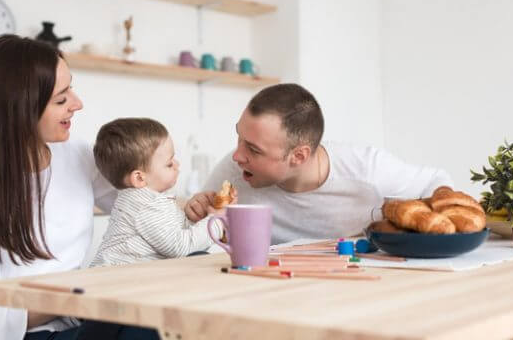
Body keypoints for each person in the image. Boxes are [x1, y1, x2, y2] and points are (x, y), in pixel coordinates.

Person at [0, 35, 158, 340]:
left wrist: (189, 208)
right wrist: (83, 292)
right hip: (26, 336)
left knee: (159, 321)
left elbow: (138, 211)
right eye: (61, 98)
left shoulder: (76, 154)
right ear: (20, 109)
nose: (77, 104)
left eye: (71, 90)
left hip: (81, 319)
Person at [184, 83, 453, 245]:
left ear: (299, 156)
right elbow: (201, 240)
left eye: (253, 149)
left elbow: (436, 181)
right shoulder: (233, 173)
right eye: (239, 138)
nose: (237, 155)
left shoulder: (367, 170)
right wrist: (196, 213)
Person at [90, 118, 224, 268]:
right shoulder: (145, 205)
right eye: (169, 163)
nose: (177, 165)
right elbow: (181, 247)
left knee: (199, 259)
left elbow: (178, 238)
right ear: (140, 178)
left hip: (131, 277)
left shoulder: (148, 200)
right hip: (113, 278)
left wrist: (199, 218)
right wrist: (217, 220)